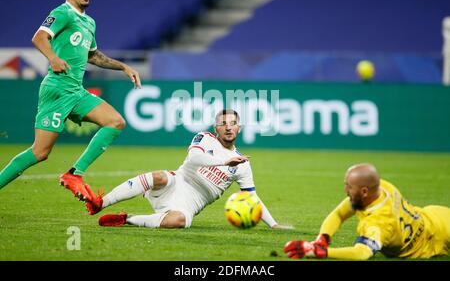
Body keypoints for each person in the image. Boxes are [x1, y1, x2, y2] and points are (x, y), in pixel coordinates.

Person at [0, 0, 141, 204]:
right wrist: (53, 59)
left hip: (76, 91)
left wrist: (124, 68)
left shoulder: (89, 22)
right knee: (40, 152)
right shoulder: (62, 12)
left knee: (115, 122)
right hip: (57, 89)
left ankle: (74, 174)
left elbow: (94, 56)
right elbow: (39, 37)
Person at [85, 109, 292, 230]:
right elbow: (194, 158)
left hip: (190, 204)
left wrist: (273, 225)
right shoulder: (205, 138)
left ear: (239, 128)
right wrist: (224, 162)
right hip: (176, 184)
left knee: (180, 221)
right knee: (159, 176)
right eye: (223, 124)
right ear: (215, 128)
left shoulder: (243, 164)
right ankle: (101, 203)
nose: (228, 127)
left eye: (233, 123)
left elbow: (252, 198)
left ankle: (127, 218)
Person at [284, 163, 450, 260]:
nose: (345, 191)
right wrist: (323, 238)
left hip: (440, 237)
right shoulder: (380, 187)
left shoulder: (379, 223)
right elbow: (339, 214)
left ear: (364, 191)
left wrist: (321, 251)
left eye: (349, 187)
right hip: (434, 214)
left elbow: (362, 253)